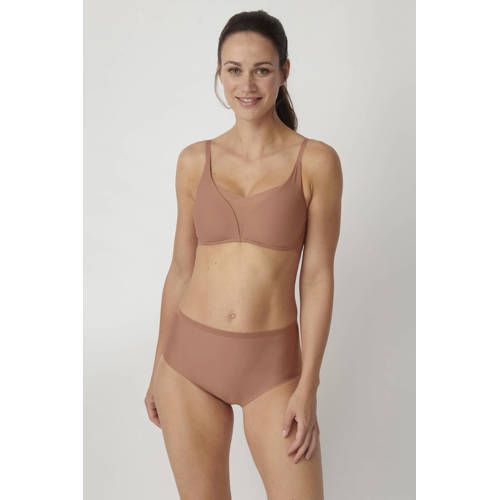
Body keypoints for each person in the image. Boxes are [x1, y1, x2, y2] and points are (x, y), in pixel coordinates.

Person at [144, 10, 342, 500]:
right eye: (234, 70)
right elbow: (180, 270)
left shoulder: (316, 161)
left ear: (284, 71)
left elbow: (317, 277)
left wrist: (308, 386)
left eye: (262, 70)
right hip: (187, 365)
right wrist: (157, 367)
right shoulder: (195, 161)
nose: (247, 85)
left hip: (272, 370)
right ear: (219, 72)